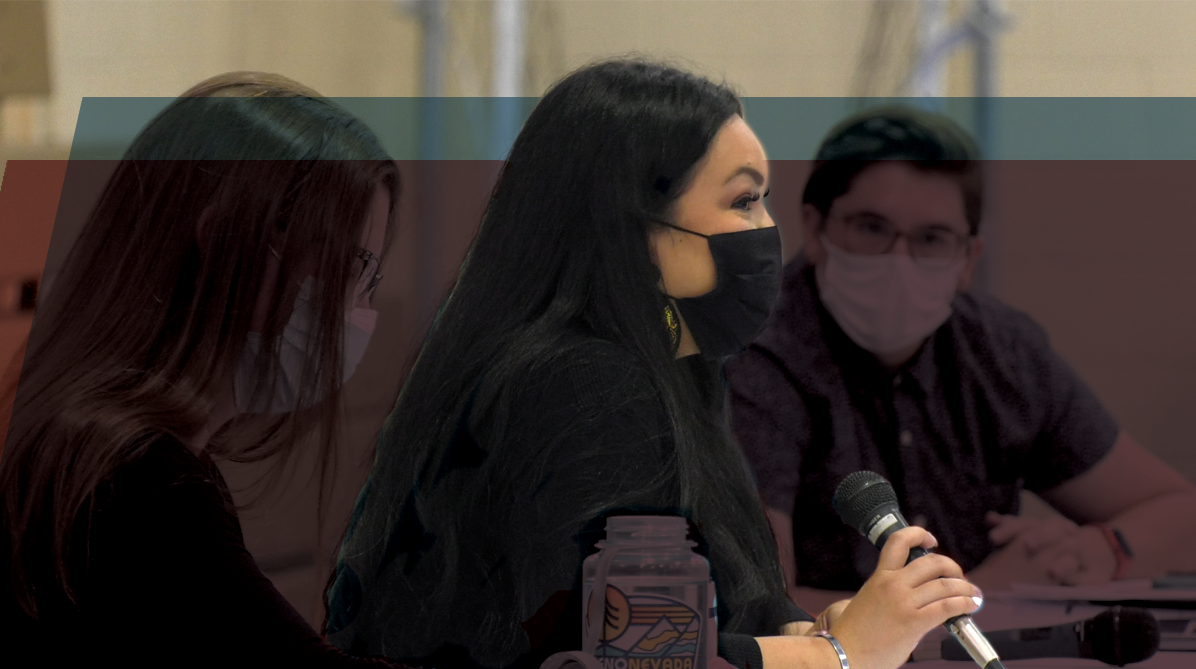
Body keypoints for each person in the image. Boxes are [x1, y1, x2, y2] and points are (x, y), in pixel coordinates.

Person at [326, 60, 982, 669]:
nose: (767, 230)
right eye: (743, 201)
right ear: (637, 229)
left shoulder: (668, 371)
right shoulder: (581, 382)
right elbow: (631, 653)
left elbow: (698, 608)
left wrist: (800, 633)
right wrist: (841, 654)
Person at [0, 72, 404, 667]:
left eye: (372, 278)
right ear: (225, 240)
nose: (361, 309)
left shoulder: (91, 443)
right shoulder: (140, 484)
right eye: (352, 268)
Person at [725, 106, 1196, 613]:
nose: (899, 260)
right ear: (815, 229)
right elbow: (759, 608)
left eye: (931, 239)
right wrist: (975, 594)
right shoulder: (757, 353)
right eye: (871, 228)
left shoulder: (1001, 353)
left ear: (968, 259)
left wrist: (1093, 552)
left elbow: (1181, 514)